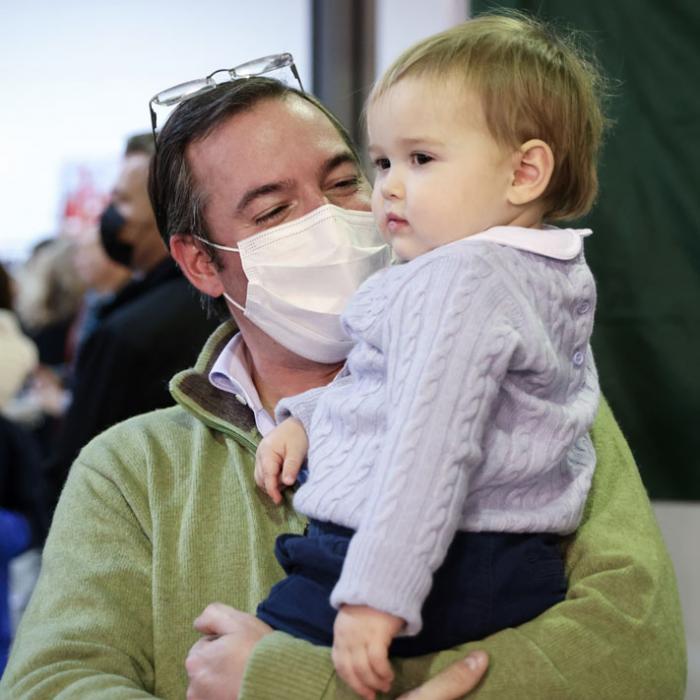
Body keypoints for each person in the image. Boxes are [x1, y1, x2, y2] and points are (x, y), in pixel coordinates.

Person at [0, 45, 686, 700]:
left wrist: (302, 688)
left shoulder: (528, 390)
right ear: (201, 262)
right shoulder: (133, 472)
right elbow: (52, 683)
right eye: (274, 211)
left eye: (343, 181)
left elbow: (639, 660)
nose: (332, 218)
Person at [251, 15, 600, 698]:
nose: (390, 187)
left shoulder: (459, 279)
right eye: (380, 162)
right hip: (508, 558)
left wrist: (375, 595)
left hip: (424, 560)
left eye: (422, 159)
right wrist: (311, 418)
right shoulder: (546, 274)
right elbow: (420, 390)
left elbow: (428, 441)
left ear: (525, 171)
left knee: (241, 662)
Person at [41, 133, 219, 516]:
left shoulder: (125, 334)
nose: (111, 218)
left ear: (164, 213)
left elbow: (75, 474)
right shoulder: (220, 301)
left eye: (121, 200)